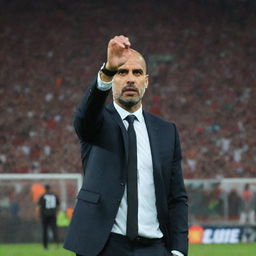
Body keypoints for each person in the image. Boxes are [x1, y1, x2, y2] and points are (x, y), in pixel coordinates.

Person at [64, 35, 188, 256]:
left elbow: (176, 197)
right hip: (104, 247)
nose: (130, 79)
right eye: (122, 72)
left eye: (137, 73)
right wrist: (107, 70)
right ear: (113, 79)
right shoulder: (97, 122)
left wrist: (178, 250)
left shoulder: (167, 131)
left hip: (154, 247)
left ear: (146, 81)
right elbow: (84, 118)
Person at [37, 184, 59, 249]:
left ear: (45, 189)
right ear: (50, 188)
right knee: (54, 229)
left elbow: (39, 207)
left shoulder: (42, 196)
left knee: (45, 230)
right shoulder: (54, 196)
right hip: (53, 215)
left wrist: (38, 215)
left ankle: (45, 246)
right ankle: (57, 244)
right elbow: (58, 206)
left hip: (45, 215)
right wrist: (56, 213)